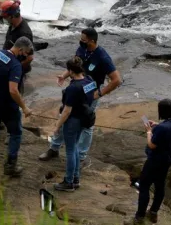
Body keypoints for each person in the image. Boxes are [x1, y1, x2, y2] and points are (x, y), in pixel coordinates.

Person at [39, 27, 122, 163]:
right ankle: (54, 148)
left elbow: (116, 80)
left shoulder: (102, 57)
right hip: (76, 88)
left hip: (90, 93)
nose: (81, 42)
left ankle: (81, 156)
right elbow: (74, 64)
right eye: (80, 39)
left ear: (92, 41)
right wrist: (64, 76)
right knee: (64, 116)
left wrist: (99, 93)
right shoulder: (81, 49)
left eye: (84, 40)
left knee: (87, 125)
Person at [0, 36, 35, 177]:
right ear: (21, 50)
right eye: (26, 53)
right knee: (15, 133)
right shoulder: (15, 65)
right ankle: (10, 166)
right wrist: (24, 107)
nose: (26, 56)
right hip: (7, 106)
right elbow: (13, 90)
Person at [124, 99, 171, 225]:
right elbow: (169, 131)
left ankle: (139, 218)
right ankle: (153, 212)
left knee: (144, 186)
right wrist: (156, 125)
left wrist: (149, 131)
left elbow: (151, 145)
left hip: (155, 161)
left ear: (160, 111)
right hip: (167, 161)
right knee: (160, 186)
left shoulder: (162, 128)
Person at [51, 57, 97, 191]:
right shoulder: (89, 81)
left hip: (72, 120)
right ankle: (76, 178)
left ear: (70, 71)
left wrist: (57, 126)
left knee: (70, 150)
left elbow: (66, 111)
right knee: (75, 147)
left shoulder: (73, 88)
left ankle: (68, 181)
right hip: (84, 118)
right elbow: (92, 96)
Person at [0, 0, 34, 94]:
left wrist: (15, 68)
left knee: (14, 93)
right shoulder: (12, 25)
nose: (5, 19)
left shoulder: (24, 33)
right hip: (7, 64)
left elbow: (30, 57)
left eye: (6, 17)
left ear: (13, 16)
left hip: (16, 68)